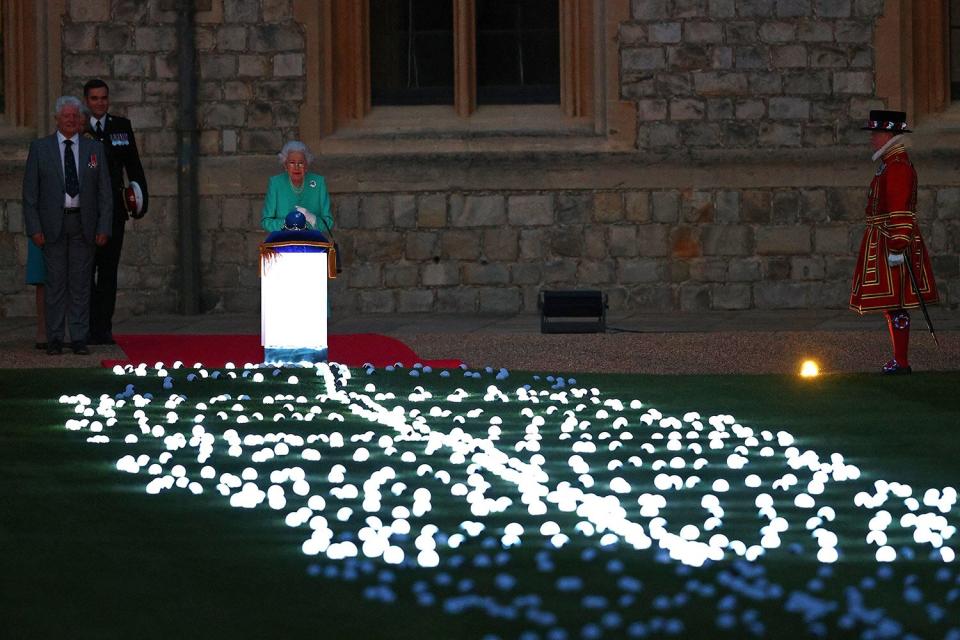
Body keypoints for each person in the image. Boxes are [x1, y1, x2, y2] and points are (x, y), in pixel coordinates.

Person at [849, 110, 939, 374]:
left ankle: (901, 361)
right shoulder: (890, 163)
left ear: (890, 135)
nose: (873, 139)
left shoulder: (897, 166)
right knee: (893, 304)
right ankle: (899, 359)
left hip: (891, 241)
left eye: (877, 134)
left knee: (896, 303)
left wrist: (898, 245)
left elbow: (900, 208)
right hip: (885, 238)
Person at [22, 96, 112, 355]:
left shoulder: (93, 151)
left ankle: (79, 338)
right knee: (55, 284)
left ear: (80, 120)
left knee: (81, 284)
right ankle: (54, 338)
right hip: (52, 225)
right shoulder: (40, 149)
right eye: (66, 116)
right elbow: (30, 195)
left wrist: (103, 226)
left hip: (83, 223)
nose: (71, 120)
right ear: (57, 119)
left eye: (75, 116)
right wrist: (34, 229)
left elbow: (104, 191)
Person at [83, 78, 149, 345]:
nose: (100, 103)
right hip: (85, 214)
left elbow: (134, 167)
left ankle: (103, 329)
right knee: (86, 272)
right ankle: (85, 327)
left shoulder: (121, 127)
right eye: (94, 99)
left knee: (108, 273)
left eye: (103, 98)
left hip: (114, 213)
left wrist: (141, 203)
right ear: (86, 101)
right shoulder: (79, 127)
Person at [261, 141, 333, 234]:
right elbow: (266, 221)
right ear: (285, 165)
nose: (296, 167)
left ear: (306, 166)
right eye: (292, 162)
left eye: (301, 163)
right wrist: (288, 224)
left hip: (312, 242)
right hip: (283, 243)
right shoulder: (276, 183)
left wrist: (313, 219)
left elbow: (329, 222)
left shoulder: (318, 183)